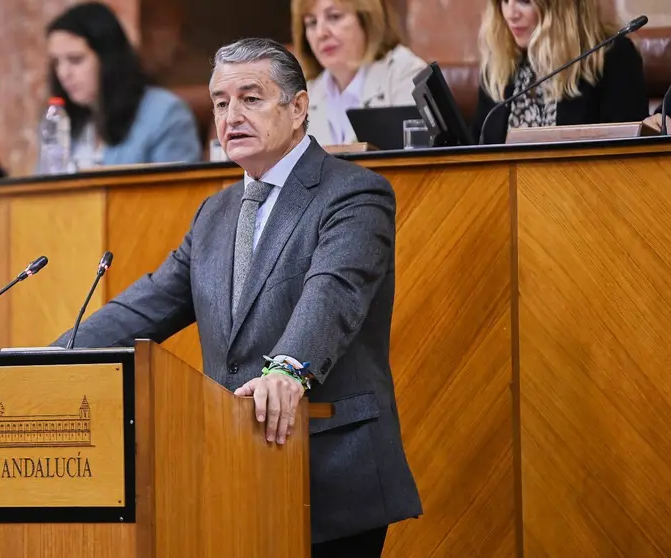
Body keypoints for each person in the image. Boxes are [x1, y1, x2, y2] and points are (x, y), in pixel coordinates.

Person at [52, 37, 421, 557]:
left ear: (297, 109)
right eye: (221, 103)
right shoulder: (216, 213)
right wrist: (50, 358)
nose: (232, 116)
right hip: (232, 475)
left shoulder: (354, 194)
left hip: (330, 473)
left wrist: (288, 368)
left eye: (251, 98)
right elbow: (148, 305)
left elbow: (333, 292)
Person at [43, 2, 202, 169]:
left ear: (108, 60)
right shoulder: (59, 118)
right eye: (56, 62)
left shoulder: (166, 114)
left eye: (75, 60)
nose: (63, 73)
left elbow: (180, 193)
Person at [474, 0, 648, 144]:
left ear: (560, 7)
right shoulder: (500, 67)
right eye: (503, 1)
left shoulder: (612, 57)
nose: (511, 14)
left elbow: (626, 157)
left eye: (524, 1)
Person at [291, 0, 427, 145]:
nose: (321, 33)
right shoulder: (303, 94)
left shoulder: (404, 74)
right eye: (312, 22)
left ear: (366, 20)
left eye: (334, 17)